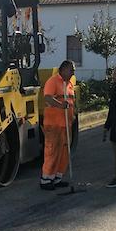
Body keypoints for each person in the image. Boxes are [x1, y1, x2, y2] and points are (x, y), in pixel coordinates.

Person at [40, 60, 76, 190]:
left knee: (64, 151)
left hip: (66, 124)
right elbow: (48, 98)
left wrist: (73, 114)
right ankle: (46, 179)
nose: (73, 72)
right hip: (54, 124)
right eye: (71, 69)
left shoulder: (69, 84)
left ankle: (57, 178)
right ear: (63, 69)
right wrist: (61, 105)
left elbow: (71, 101)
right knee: (52, 151)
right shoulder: (53, 81)